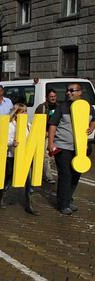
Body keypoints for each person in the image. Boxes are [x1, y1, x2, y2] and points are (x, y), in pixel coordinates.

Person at [48, 83, 95, 215]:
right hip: (63, 147)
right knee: (65, 175)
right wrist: (51, 143)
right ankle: (62, 204)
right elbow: (53, 125)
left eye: (72, 90)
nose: (68, 93)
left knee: (76, 175)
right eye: (67, 91)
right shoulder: (62, 107)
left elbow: (94, 119)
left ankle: (68, 200)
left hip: (81, 148)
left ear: (80, 93)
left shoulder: (88, 107)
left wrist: (92, 127)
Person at [7, 103, 38, 215]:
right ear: (16, 113)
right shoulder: (11, 125)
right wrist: (12, 143)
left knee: (29, 182)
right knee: (8, 180)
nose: (25, 113)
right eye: (22, 111)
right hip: (13, 156)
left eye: (26, 111)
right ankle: (0, 198)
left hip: (26, 157)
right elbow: (6, 140)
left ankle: (29, 205)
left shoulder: (28, 125)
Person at [35, 90, 57, 185]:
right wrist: (44, 132)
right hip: (45, 135)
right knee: (46, 156)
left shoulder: (58, 107)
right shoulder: (42, 107)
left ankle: (43, 172)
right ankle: (48, 176)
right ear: (47, 97)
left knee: (53, 156)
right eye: (51, 96)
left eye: (54, 96)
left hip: (56, 135)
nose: (53, 98)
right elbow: (37, 122)